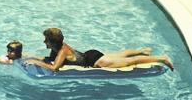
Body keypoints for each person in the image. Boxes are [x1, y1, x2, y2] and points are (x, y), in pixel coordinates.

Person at [23, 27, 174, 71]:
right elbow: (49, 60)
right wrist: (29, 56)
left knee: (129, 61)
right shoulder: (58, 48)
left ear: (52, 42)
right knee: (120, 54)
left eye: (46, 40)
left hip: (97, 62)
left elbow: (54, 67)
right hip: (90, 54)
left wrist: (36, 63)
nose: (44, 42)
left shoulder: (62, 51)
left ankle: (162, 58)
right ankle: (143, 50)